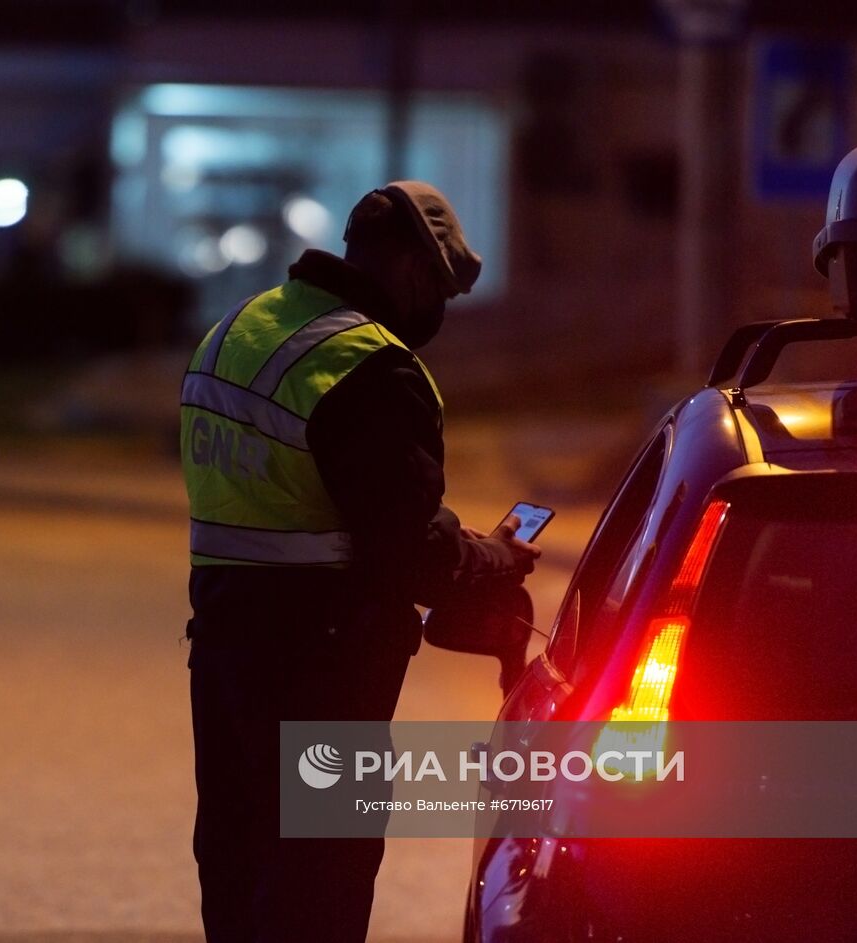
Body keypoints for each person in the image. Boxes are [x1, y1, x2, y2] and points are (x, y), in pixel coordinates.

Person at [181, 181, 541, 942]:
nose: (438, 310)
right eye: (440, 286)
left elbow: (315, 499)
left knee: (238, 870)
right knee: (320, 888)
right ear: (410, 267)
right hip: (324, 669)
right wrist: (492, 558)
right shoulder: (370, 365)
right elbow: (409, 555)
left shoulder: (243, 327)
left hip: (223, 653)